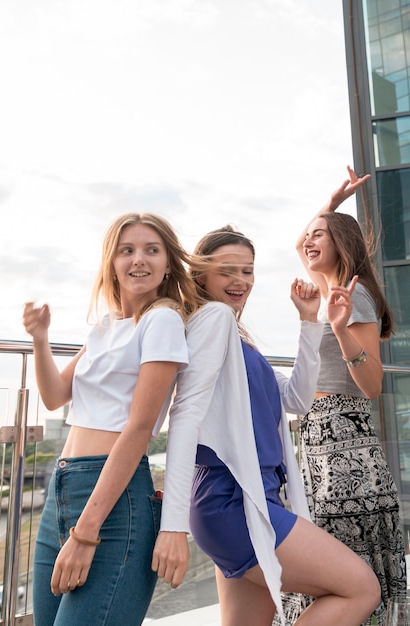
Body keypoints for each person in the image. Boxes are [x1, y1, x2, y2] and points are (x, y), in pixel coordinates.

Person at [152, 225, 380, 626]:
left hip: (248, 498)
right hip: (232, 498)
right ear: (200, 275)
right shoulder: (215, 319)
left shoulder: (235, 338)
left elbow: (295, 399)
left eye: (248, 271)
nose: (240, 281)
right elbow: (183, 417)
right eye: (228, 271)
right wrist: (172, 528)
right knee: (360, 588)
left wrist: (310, 322)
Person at [23, 213, 204, 626]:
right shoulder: (105, 327)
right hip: (63, 485)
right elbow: (54, 396)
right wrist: (39, 338)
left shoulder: (162, 321)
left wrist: (86, 534)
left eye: (151, 250)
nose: (138, 259)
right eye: (127, 250)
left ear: (167, 265)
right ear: (113, 263)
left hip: (113, 497)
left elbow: (139, 429)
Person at [277, 166, 407, 626]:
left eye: (320, 236)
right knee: (321, 541)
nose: (307, 243)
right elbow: (300, 241)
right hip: (314, 431)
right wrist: (330, 203)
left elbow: (371, 385)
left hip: (344, 438)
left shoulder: (357, 298)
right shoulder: (325, 287)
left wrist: (338, 328)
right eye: (309, 235)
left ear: (341, 245)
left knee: (340, 548)